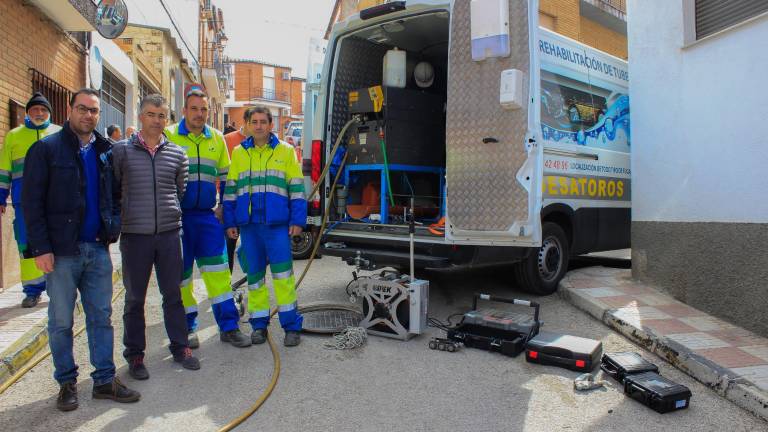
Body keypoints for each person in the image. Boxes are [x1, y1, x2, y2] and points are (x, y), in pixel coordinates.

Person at [22, 88, 140, 411]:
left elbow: (115, 194)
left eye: (94, 111)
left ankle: (104, 380)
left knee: (101, 316)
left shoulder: (105, 151)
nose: (89, 115)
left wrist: (111, 227)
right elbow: (31, 204)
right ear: (70, 110)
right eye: (83, 109)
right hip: (61, 253)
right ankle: (66, 383)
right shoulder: (46, 150)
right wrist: (41, 248)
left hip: (97, 250)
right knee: (61, 321)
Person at [113, 94, 200, 380]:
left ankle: (181, 346)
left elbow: (179, 191)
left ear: (167, 119)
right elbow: (114, 190)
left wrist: (168, 216)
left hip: (168, 235)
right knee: (134, 299)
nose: (156, 120)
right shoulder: (121, 152)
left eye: (162, 116)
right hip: (135, 236)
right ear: (141, 116)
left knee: (173, 294)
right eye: (151, 114)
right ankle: (135, 356)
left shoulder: (177, 153)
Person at [166, 90, 249, 348]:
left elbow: (226, 178)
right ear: (184, 111)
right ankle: (187, 329)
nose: (199, 114)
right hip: (177, 219)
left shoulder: (216, 138)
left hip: (206, 217)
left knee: (219, 275)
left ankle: (228, 326)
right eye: (194, 109)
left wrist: (224, 206)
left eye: (203, 109)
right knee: (181, 277)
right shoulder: (168, 135)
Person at [223, 105, 306, 347]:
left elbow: (297, 189)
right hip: (250, 227)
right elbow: (230, 190)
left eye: (263, 121)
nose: (259, 126)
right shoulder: (239, 153)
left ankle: (291, 326)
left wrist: (298, 221)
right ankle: (259, 324)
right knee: (255, 278)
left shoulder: (286, 151)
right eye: (254, 122)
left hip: (277, 226)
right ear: (247, 125)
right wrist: (230, 221)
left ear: (271, 125)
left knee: (283, 277)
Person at [0, 92, 60, 308]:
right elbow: (4, 168)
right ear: (27, 112)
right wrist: (1, 196)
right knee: (26, 244)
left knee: (55, 242)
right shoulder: (14, 136)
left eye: (43, 110)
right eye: (35, 109)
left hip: (53, 200)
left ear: (49, 113)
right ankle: (32, 290)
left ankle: (56, 288)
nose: (39, 113)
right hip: (23, 201)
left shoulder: (59, 133)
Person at [223, 123, 248, 272]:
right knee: (229, 244)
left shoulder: (262, 143)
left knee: (251, 247)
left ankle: (254, 278)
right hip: (231, 201)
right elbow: (222, 172)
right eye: (254, 122)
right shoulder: (227, 140)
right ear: (246, 122)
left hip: (250, 204)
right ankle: (227, 284)